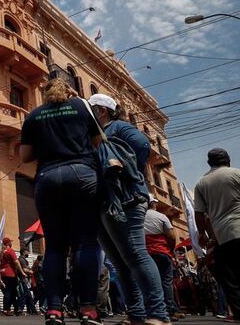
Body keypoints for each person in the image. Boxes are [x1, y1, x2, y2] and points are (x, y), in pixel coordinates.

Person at [19, 78, 102, 325]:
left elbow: (25, 156)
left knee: (55, 247)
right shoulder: (81, 107)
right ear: (69, 90)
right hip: (83, 174)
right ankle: (88, 309)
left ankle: (54, 310)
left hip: (47, 178)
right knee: (85, 243)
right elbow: (99, 143)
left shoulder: (34, 115)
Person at [89, 93, 171, 325]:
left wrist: (128, 171)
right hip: (106, 200)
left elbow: (142, 144)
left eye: (91, 110)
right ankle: (136, 313)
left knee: (135, 253)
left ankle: (159, 314)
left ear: (102, 111)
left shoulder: (118, 127)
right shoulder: (98, 134)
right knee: (119, 260)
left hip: (127, 198)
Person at [195, 148, 240, 321]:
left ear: (209, 163)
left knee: (229, 276)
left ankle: (238, 312)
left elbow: (199, 213)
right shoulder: (236, 173)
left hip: (223, 235)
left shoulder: (202, 183)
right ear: (228, 159)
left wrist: (202, 234)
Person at [144, 196, 181, 321]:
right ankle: (170, 310)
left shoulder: (139, 217)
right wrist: (170, 250)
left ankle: (154, 310)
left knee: (151, 282)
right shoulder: (161, 216)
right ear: (153, 203)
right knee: (166, 282)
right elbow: (171, 236)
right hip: (162, 252)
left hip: (146, 255)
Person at [0, 237, 26, 316]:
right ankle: (6, 309)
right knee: (9, 292)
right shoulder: (10, 251)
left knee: (13, 292)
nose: (11, 243)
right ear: (7, 243)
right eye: (10, 242)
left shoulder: (2, 252)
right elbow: (16, 262)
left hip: (3, 273)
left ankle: (16, 309)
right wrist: (22, 272)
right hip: (10, 273)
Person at [16, 247, 38, 315]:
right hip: (23, 279)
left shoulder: (21, 259)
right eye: (27, 251)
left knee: (26, 295)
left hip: (24, 280)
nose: (28, 253)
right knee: (26, 295)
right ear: (23, 252)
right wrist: (31, 272)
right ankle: (30, 309)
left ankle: (28, 309)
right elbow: (25, 270)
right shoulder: (22, 260)